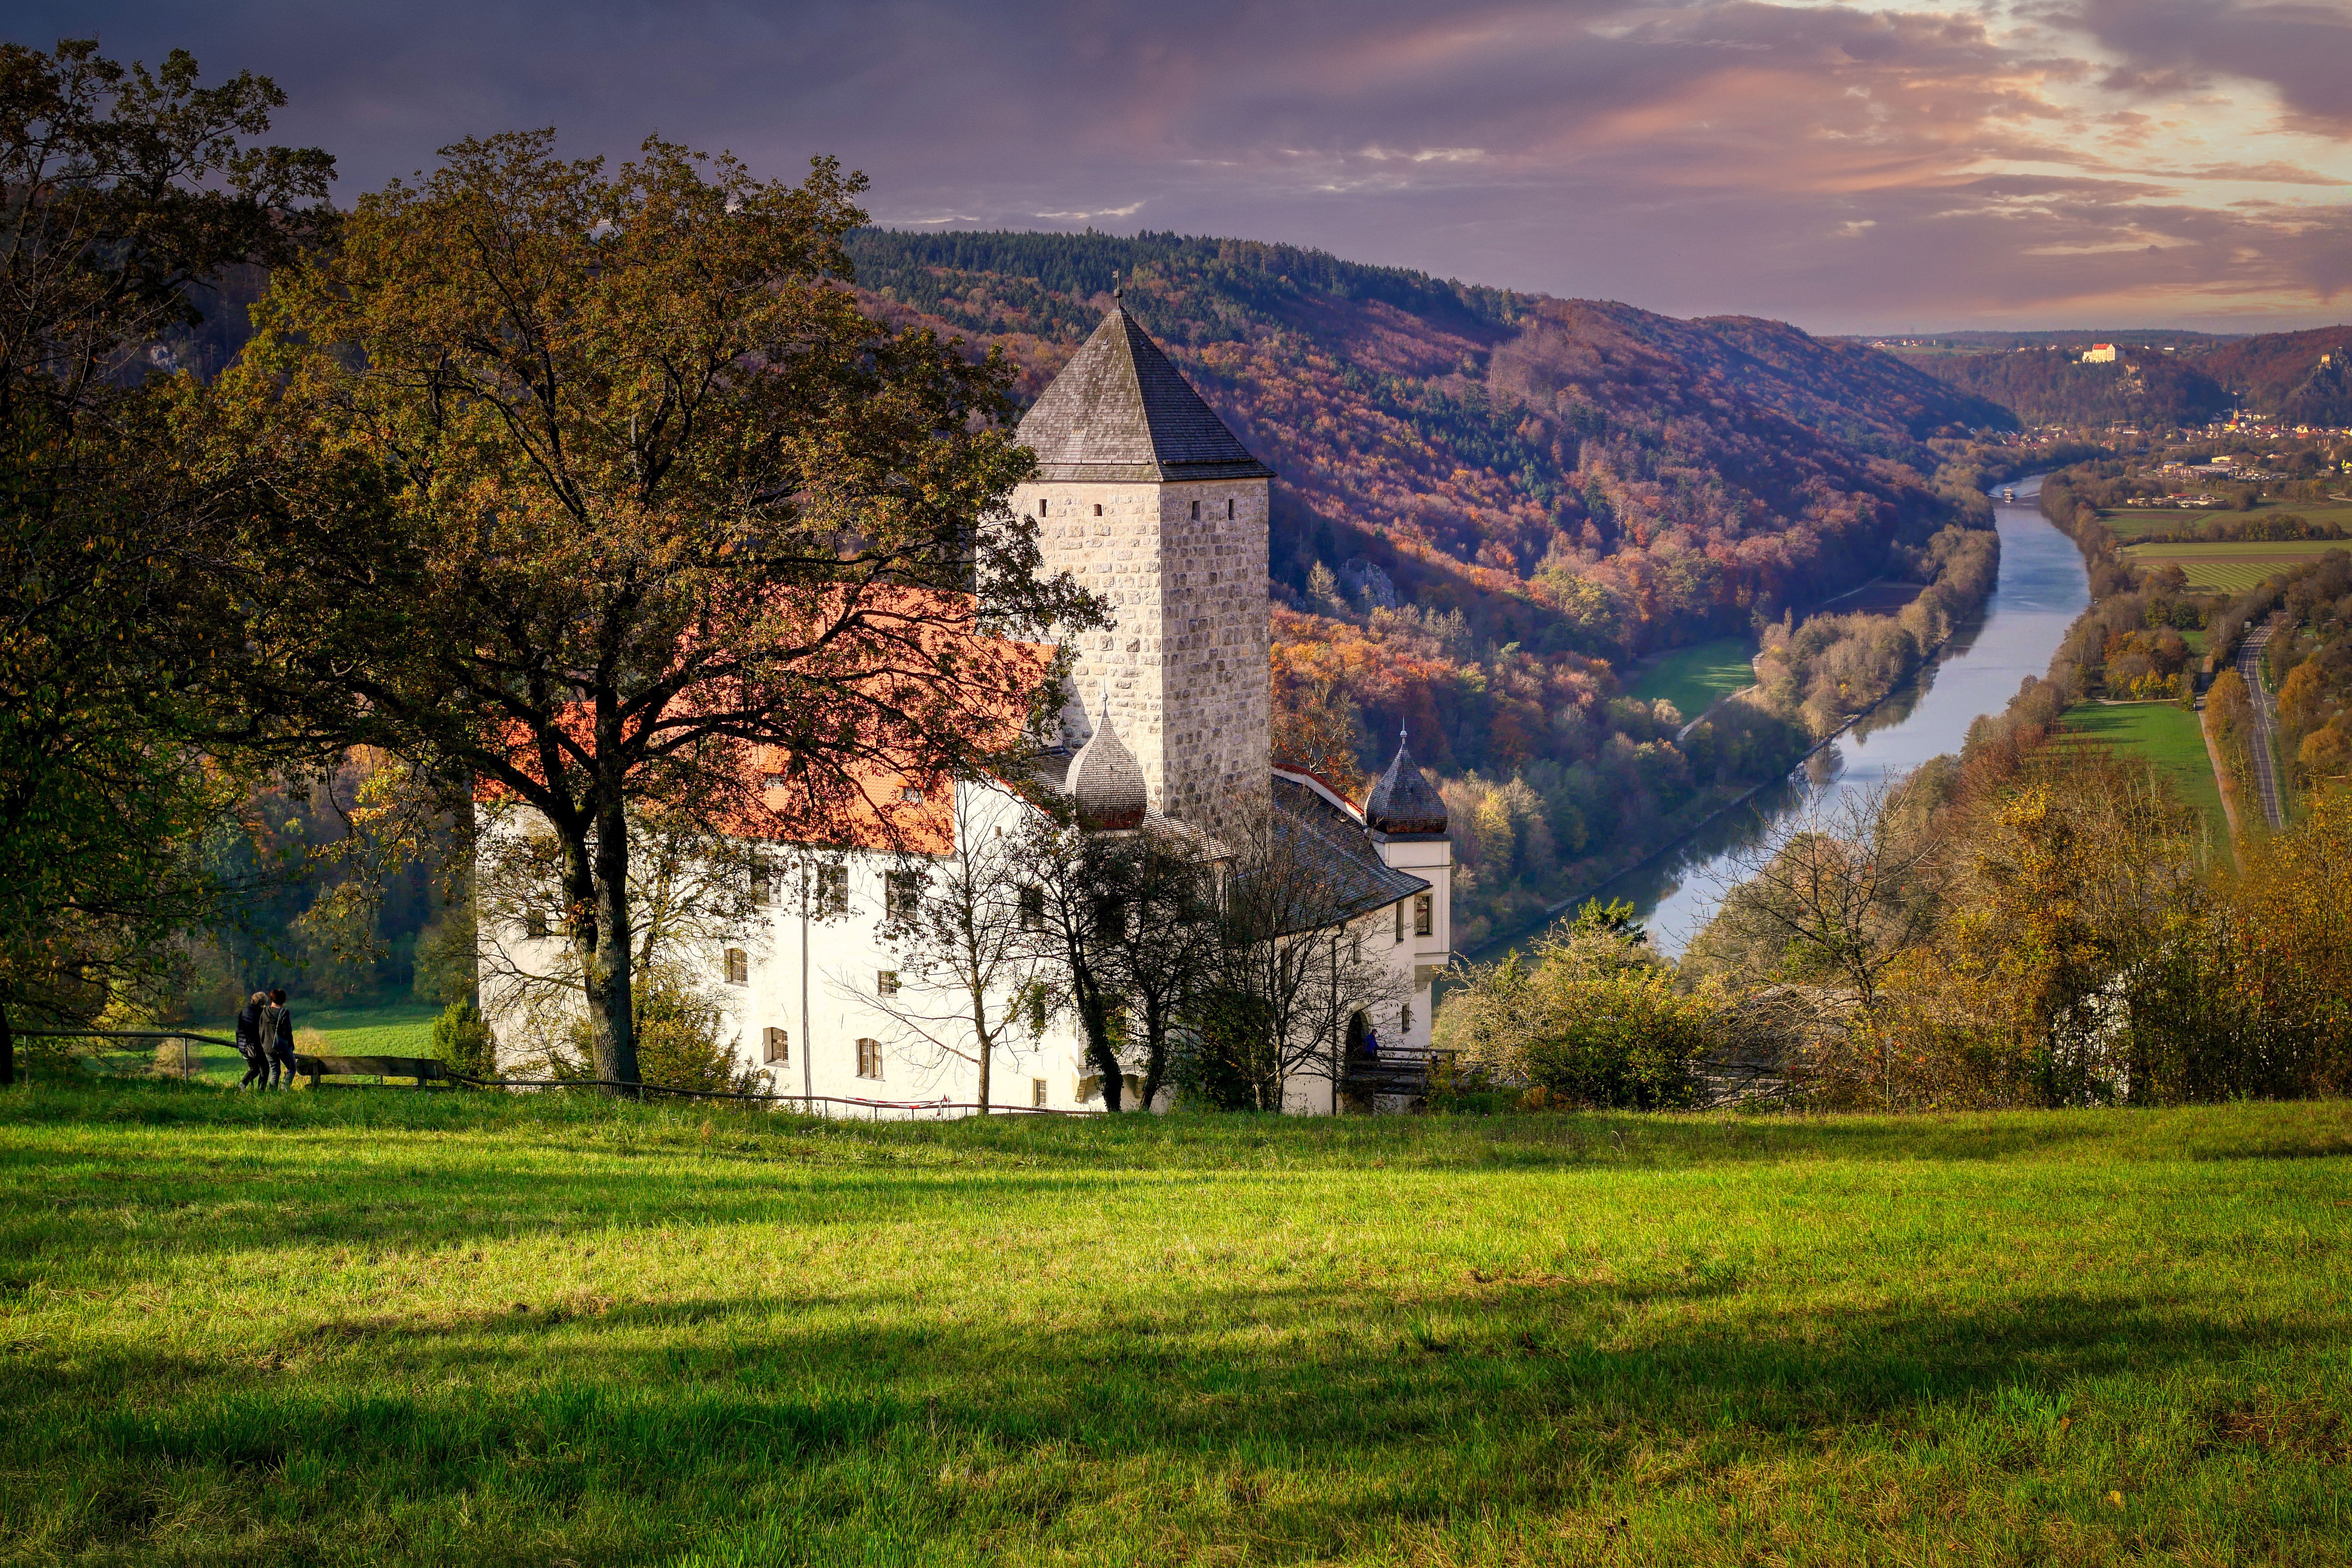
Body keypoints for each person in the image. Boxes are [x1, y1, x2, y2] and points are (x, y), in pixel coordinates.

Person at [235, 991, 271, 1090]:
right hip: (254, 1046)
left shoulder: (244, 1011)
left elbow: (238, 1029)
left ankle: (242, 1085)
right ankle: (261, 1091)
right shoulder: (260, 1014)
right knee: (265, 1069)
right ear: (262, 1003)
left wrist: (239, 1043)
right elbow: (261, 1031)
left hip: (243, 1045)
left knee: (254, 1069)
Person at [265, 988, 300, 1089]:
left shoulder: (265, 1012)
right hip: (281, 1047)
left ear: (271, 999)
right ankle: (284, 1089)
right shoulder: (284, 1013)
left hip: (267, 1047)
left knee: (275, 1069)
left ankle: (272, 1092)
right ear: (283, 1000)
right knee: (292, 1067)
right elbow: (288, 1032)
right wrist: (291, 1046)